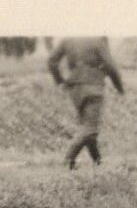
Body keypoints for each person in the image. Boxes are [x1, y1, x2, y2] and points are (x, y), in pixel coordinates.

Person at [48, 36, 125, 169]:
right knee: (90, 129)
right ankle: (68, 161)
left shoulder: (68, 39)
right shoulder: (97, 39)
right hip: (93, 86)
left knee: (87, 126)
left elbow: (51, 61)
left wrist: (59, 81)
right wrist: (119, 88)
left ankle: (98, 162)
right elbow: (110, 65)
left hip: (75, 88)